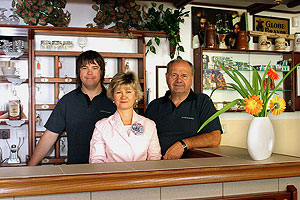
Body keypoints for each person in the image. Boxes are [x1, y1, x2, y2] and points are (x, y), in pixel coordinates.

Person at [28, 50, 116, 165]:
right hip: (76, 170)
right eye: (84, 68)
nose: (89, 72)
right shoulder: (67, 101)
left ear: (102, 72)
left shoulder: (114, 101)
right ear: (78, 72)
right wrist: (30, 167)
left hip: (109, 171)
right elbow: (49, 136)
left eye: (95, 68)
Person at [145, 59, 222, 160]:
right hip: (158, 166)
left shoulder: (203, 102)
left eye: (184, 76)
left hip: (192, 167)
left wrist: (183, 145)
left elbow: (215, 138)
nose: (179, 80)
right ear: (166, 77)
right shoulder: (154, 106)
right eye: (174, 75)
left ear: (191, 79)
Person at [89, 71, 161, 163]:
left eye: (128, 92)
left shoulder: (149, 125)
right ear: (113, 96)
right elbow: (96, 160)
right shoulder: (101, 126)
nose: (124, 96)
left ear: (136, 95)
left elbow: (155, 157)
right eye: (119, 92)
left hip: (142, 176)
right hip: (113, 176)